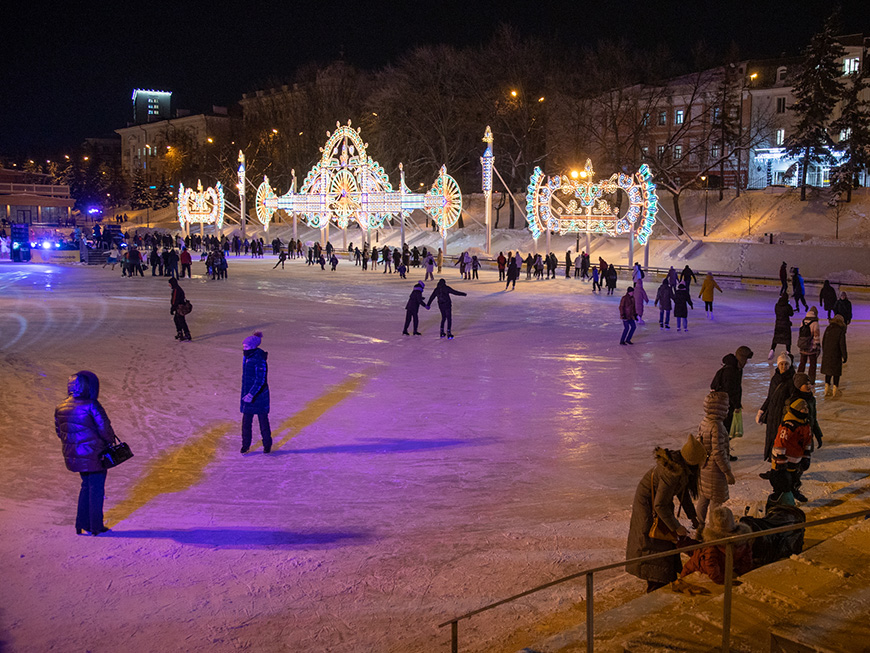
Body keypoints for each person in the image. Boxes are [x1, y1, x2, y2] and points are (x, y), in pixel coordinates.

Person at [625, 435, 704, 592]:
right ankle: (654, 585)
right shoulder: (672, 473)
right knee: (653, 539)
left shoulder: (681, 467)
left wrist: (692, 516)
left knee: (665, 540)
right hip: (648, 506)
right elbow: (659, 505)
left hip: (658, 503)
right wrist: (676, 527)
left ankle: (665, 578)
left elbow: (683, 493)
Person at [54, 370, 115, 536]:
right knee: (96, 488)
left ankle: (81, 523)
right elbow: (105, 429)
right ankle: (96, 526)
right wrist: (109, 443)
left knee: (86, 486)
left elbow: (60, 432)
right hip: (95, 454)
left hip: (74, 454)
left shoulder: (61, 407)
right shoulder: (91, 405)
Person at [679, 507, 753, 585]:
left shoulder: (714, 545)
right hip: (693, 571)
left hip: (706, 570)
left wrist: (735, 575)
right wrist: (729, 579)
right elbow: (712, 568)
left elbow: (746, 562)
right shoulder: (740, 540)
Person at [695, 391, 734, 528]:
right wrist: (727, 472)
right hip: (715, 471)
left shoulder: (705, 422)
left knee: (704, 497)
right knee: (716, 501)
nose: (728, 409)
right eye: (726, 407)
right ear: (719, 409)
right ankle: (714, 528)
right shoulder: (716, 426)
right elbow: (718, 453)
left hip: (704, 467)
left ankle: (699, 526)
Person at [767, 399, 813, 501]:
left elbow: (807, 441)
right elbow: (780, 443)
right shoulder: (789, 425)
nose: (806, 410)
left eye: (806, 408)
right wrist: (781, 462)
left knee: (794, 477)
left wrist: (806, 456)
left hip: (796, 459)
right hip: (784, 460)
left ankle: (793, 491)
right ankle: (778, 498)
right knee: (781, 481)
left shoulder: (805, 423)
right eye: (802, 409)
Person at [710, 345, 753, 447]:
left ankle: (724, 450)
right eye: (745, 359)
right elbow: (730, 391)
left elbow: (737, 388)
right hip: (724, 405)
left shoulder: (737, 369)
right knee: (724, 429)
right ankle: (721, 451)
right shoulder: (731, 371)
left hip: (728, 404)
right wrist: (736, 405)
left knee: (726, 430)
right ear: (741, 358)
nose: (746, 362)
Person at [758, 352, 796, 462]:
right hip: (772, 415)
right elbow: (770, 397)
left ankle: (778, 465)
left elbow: (793, 400)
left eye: (786, 364)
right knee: (771, 437)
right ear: (778, 365)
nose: (784, 367)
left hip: (782, 416)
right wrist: (762, 410)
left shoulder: (792, 381)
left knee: (781, 442)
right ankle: (772, 460)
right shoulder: (775, 379)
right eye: (781, 364)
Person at [239, 332, 272, 454]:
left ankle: (267, 444)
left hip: (259, 396)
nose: (244, 349)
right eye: (244, 346)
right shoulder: (247, 357)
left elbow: (260, 379)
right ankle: (245, 445)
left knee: (263, 422)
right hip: (247, 395)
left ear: (253, 347)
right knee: (246, 423)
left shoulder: (259, 359)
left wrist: (251, 394)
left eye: (246, 347)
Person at [820, 314, 847, 397]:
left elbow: (823, 341)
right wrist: (844, 356)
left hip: (827, 354)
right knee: (836, 372)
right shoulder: (840, 331)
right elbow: (842, 344)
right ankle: (835, 389)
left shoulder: (828, 328)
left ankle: (827, 388)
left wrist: (825, 352)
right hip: (836, 354)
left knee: (828, 371)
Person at [796, 307, 821, 384]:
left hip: (803, 346)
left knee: (802, 363)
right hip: (811, 347)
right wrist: (817, 346)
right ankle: (811, 381)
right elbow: (816, 336)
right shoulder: (815, 323)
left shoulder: (803, 321)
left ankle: (798, 379)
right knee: (812, 365)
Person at [769, 293, 794, 359]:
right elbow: (791, 314)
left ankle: (772, 350)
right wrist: (789, 305)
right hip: (786, 325)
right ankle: (788, 352)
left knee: (776, 338)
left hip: (778, 324)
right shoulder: (787, 306)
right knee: (787, 339)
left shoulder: (777, 305)